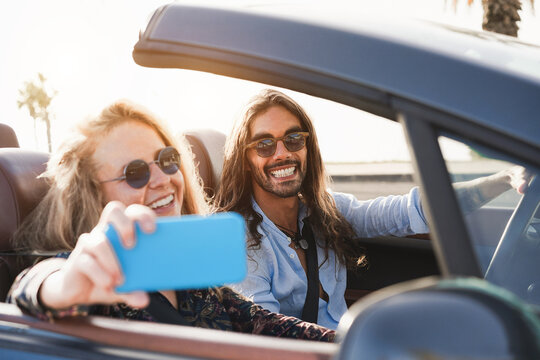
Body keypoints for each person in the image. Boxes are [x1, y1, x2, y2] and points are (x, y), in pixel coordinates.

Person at [8, 100, 335, 341]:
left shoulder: (188, 273)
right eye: (134, 174)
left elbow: (264, 325)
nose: (163, 178)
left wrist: (350, 342)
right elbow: (35, 288)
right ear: (92, 196)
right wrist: (63, 286)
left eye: (167, 160)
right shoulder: (92, 274)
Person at [215, 88, 531, 330]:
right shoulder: (237, 240)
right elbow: (267, 331)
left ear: (308, 146)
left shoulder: (322, 212)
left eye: (293, 139)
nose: (282, 153)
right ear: (244, 158)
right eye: (264, 145)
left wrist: (503, 179)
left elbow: (410, 210)